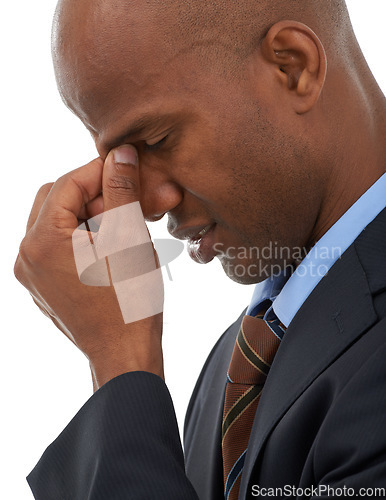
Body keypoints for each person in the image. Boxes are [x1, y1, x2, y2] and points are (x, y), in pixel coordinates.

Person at [14, 0, 385, 498]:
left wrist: (123, 365)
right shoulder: (231, 371)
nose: (142, 205)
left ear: (293, 67)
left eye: (159, 140)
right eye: (117, 160)